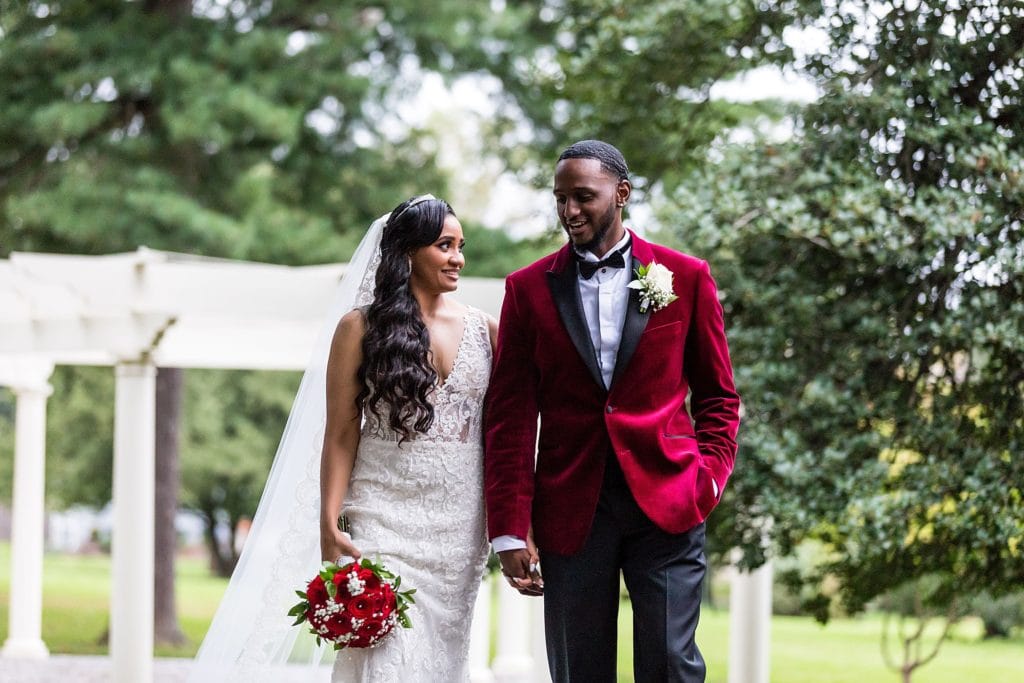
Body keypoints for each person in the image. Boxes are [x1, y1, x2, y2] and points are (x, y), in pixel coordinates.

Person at [189, 195, 493, 683]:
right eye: (444, 245)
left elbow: (506, 436)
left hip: (459, 530)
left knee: (443, 660)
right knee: (382, 661)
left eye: (461, 246)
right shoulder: (359, 328)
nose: (458, 257)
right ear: (408, 252)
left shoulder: (487, 331)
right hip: (382, 516)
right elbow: (340, 433)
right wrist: (329, 524)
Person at [484, 140, 740, 682]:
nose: (569, 211)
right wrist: (509, 527)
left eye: (583, 196)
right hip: (572, 507)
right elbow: (510, 415)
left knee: (671, 664)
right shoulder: (526, 290)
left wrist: (708, 479)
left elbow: (718, 397)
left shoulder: (686, 278)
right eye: (560, 198)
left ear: (621, 193)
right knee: (579, 669)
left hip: (669, 501)